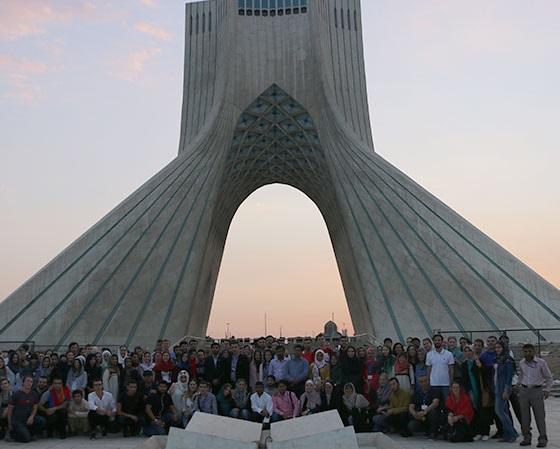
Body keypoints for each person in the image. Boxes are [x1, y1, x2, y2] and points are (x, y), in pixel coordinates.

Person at [518, 343, 553, 448]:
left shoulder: (541, 362)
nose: (528, 353)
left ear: (534, 351)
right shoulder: (522, 363)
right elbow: (521, 375)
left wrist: (547, 389)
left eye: (530, 351)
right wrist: (518, 385)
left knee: (540, 416)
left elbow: (549, 377)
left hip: (536, 391)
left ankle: (542, 439)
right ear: (523, 352)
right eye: (525, 351)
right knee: (525, 417)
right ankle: (526, 438)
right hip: (524, 390)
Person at [461, 344, 492, 440]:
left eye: (469, 351)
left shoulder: (478, 361)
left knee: (483, 411)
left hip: (480, 389)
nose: (467, 353)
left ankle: (485, 432)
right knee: (474, 411)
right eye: (465, 351)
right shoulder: (464, 364)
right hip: (470, 390)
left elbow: (485, 373)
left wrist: (480, 366)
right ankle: (477, 431)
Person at [6, 375, 45, 442]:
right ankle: (12, 435)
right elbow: (9, 411)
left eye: (31, 381)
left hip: (28, 419)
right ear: (23, 382)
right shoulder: (16, 394)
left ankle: (31, 434)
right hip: (18, 421)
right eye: (27, 381)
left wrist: (32, 416)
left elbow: (35, 407)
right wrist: (10, 424)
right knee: (26, 439)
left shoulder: (34, 394)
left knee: (42, 420)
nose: (29, 383)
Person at [493, 341, 518, 443]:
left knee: (499, 411)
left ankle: (512, 433)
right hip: (497, 387)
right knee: (504, 412)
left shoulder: (508, 360)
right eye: (496, 347)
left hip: (503, 388)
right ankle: (507, 434)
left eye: (499, 347)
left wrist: (506, 390)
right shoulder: (498, 359)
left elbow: (509, 376)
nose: (497, 349)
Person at [426, 334, 454, 399]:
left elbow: (451, 370)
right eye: (435, 340)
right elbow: (428, 370)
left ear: (442, 341)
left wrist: (451, 383)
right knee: (435, 402)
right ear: (433, 341)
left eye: (439, 340)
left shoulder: (449, 354)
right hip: (433, 384)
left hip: (446, 384)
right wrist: (428, 382)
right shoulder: (429, 354)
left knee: (446, 402)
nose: (437, 342)